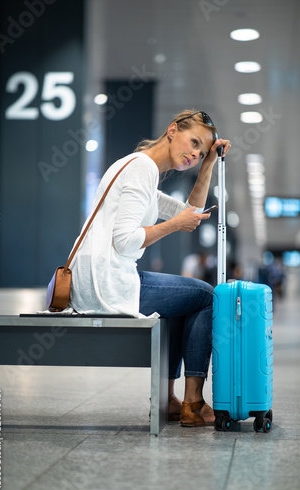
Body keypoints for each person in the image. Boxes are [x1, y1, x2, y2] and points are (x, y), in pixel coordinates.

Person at [69, 109, 231, 427]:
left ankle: (171, 401)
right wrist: (173, 224)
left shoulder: (136, 166)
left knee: (184, 299)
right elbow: (126, 242)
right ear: (172, 130)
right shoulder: (142, 169)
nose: (195, 153)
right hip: (108, 282)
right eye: (193, 142)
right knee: (207, 296)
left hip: (96, 278)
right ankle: (192, 403)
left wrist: (210, 163)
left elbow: (191, 213)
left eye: (201, 151)